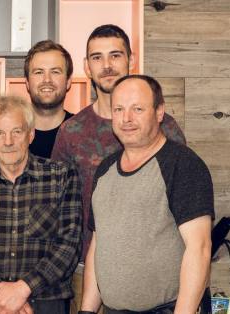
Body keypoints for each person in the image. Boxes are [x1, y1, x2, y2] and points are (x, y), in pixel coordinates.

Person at [50, 24, 187, 258]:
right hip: (89, 265)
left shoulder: (162, 125)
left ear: (130, 60)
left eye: (115, 55)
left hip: (154, 265)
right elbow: (57, 209)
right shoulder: (71, 132)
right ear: (87, 67)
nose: (106, 66)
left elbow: (186, 201)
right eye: (97, 57)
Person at [79, 75, 213, 314]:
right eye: (119, 109)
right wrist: (86, 311)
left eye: (137, 109)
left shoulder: (182, 164)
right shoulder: (105, 169)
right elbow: (98, 247)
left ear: (159, 112)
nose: (126, 118)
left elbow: (200, 249)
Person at [0, 95, 81, 314]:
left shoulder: (61, 176)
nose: (8, 141)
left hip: (46, 302)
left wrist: (24, 289)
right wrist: (3, 296)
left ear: (30, 134)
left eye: (17, 131)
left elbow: (69, 245)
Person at [23, 40, 75, 159]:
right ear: (27, 82)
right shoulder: (10, 136)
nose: (47, 80)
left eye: (55, 72)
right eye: (39, 72)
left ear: (68, 81)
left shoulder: (82, 132)